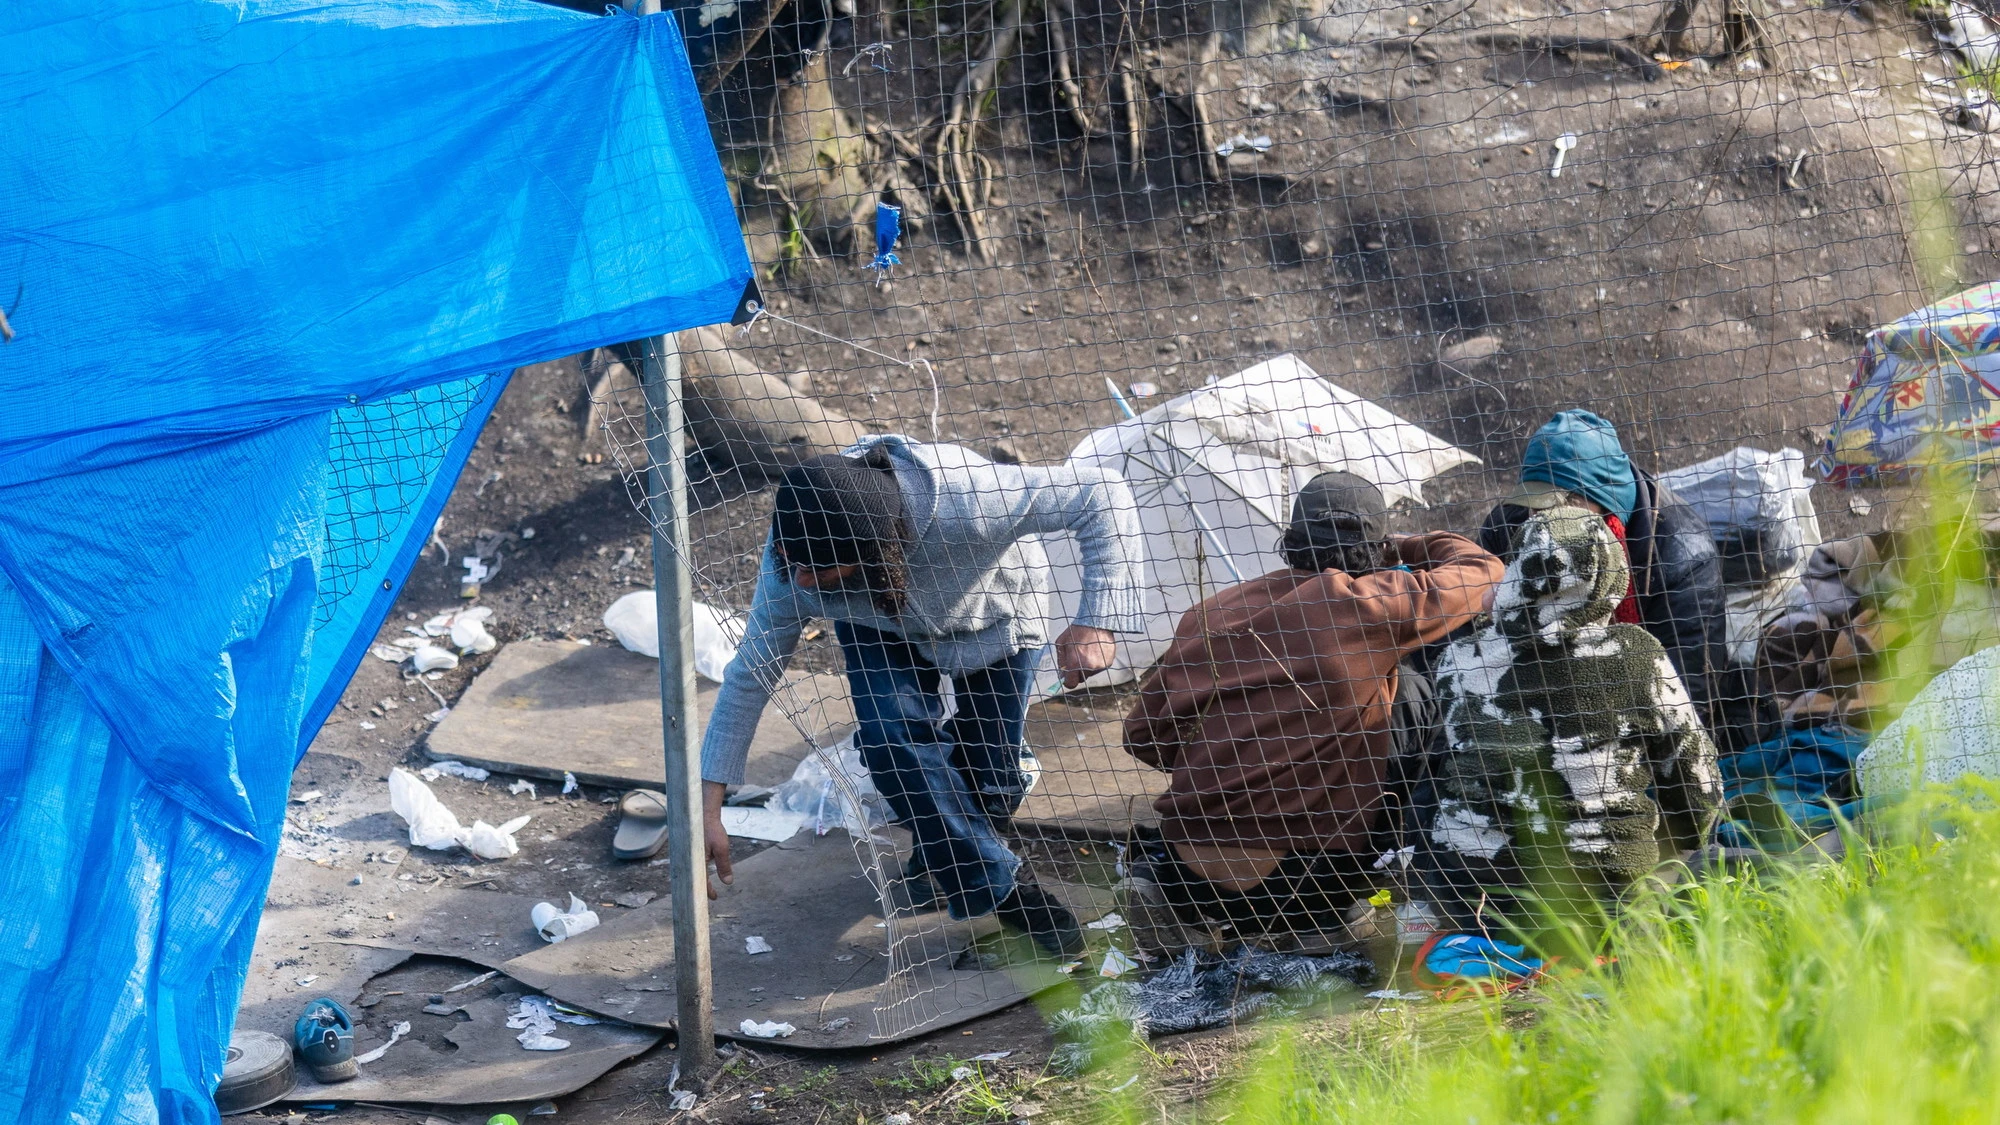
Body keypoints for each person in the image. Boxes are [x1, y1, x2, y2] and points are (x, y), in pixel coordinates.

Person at [699, 437, 1144, 957]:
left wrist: (1097, 621)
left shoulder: (972, 501)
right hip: (878, 617)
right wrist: (706, 807)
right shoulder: (797, 554)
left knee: (991, 778)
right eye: (793, 563)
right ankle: (1007, 893)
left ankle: (943, 848)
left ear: (878, 549)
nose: (799, 581)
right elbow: (750, 672)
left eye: (816, 572)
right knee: (892, 741)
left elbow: (1101, 492)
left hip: (993, 608)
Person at [1119, 472, 1504, 956]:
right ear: (1377, 548)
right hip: (1305, 881)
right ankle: (1349, 902)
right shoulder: (1366, 604)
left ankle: (1161, 889)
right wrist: (1405, 545)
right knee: (1412, 691)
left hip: (1185, 863)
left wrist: (1237, 746)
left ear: (1292, 539)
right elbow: (1484, 569)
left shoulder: (1210, 612)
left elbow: (1142, 735)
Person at [1428, 507, 1722, 937]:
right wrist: (1686, 844)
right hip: (1603, 900)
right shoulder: (1636, 654)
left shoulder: (1456, 660)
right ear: (1608, 576)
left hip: (1474, 901)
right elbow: (1697, 784)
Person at [1476, 410, 1737, 749]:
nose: (1542, 523)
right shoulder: (1512, 525)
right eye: (1536, 507)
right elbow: (1471, 635)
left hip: (1633, 718)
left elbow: (1687, 701)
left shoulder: (1684, 555)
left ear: (1602, 504)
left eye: (1558, 508)